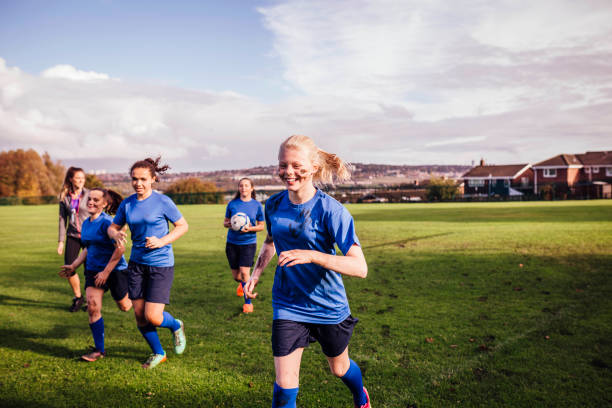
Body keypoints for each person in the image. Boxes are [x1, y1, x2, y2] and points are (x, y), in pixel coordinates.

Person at [245, 135, 371, 408]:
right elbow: (270, 241)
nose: (288, 172)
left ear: (313, 167)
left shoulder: (331, 211)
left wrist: (313, 256)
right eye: (283, 165)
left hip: (327, 305)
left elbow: (360, 268)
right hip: (288, 302)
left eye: (296, 165)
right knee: (284, 386)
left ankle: (360, 395)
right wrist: (256, 274)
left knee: (339, 368)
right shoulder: (274, 205)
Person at [107, 157, 188, 369]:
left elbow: (182, 226)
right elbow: (113, 227)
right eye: (134, 179)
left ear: (153, 179)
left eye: (143, 179)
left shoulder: (163, 202)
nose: (138, 183)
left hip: (160, 265)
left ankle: (176, 325)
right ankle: (158, 353)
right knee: (139, 316)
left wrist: (162, 241)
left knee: (153, 316)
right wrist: (115, 234)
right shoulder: (127, 203)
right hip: (136, 265)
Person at [60, 188, 132, 362]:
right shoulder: (86, 224)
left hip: (115, 271)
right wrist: (74, 265)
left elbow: (120, 249)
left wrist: (106, 272)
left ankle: (141, 294)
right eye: (89, 199)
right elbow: (88, 247)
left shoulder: (108, 223)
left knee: (125, 306)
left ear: (105, 204)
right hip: (93, 270)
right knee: (92, 306)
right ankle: (99, 350)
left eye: (96, 200)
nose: (91, 202)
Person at [223, 178, 265, 313]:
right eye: (241, 186)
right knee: (237, 277)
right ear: (239, 188)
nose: (244, 188)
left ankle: (248, 303)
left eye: (246, 186)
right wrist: (230, 224)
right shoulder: (232, 204)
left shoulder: (257, 205)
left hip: (248, 243)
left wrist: (250, 229)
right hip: (232, 243)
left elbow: (261, 226)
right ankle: (242, 285)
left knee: (245, 273)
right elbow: (225, 222)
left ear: (251, 188)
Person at [57, 167, 90, 312]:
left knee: (90, 270)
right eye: (78, 177)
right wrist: (61, 241)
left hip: (90, 237)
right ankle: (78, 297)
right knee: (69, 267)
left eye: (83, 177)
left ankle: (91, 300)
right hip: (73, 236)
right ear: (71, 179)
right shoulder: (65, 196)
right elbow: (62, 220)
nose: (81, 180)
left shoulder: (90, 194)